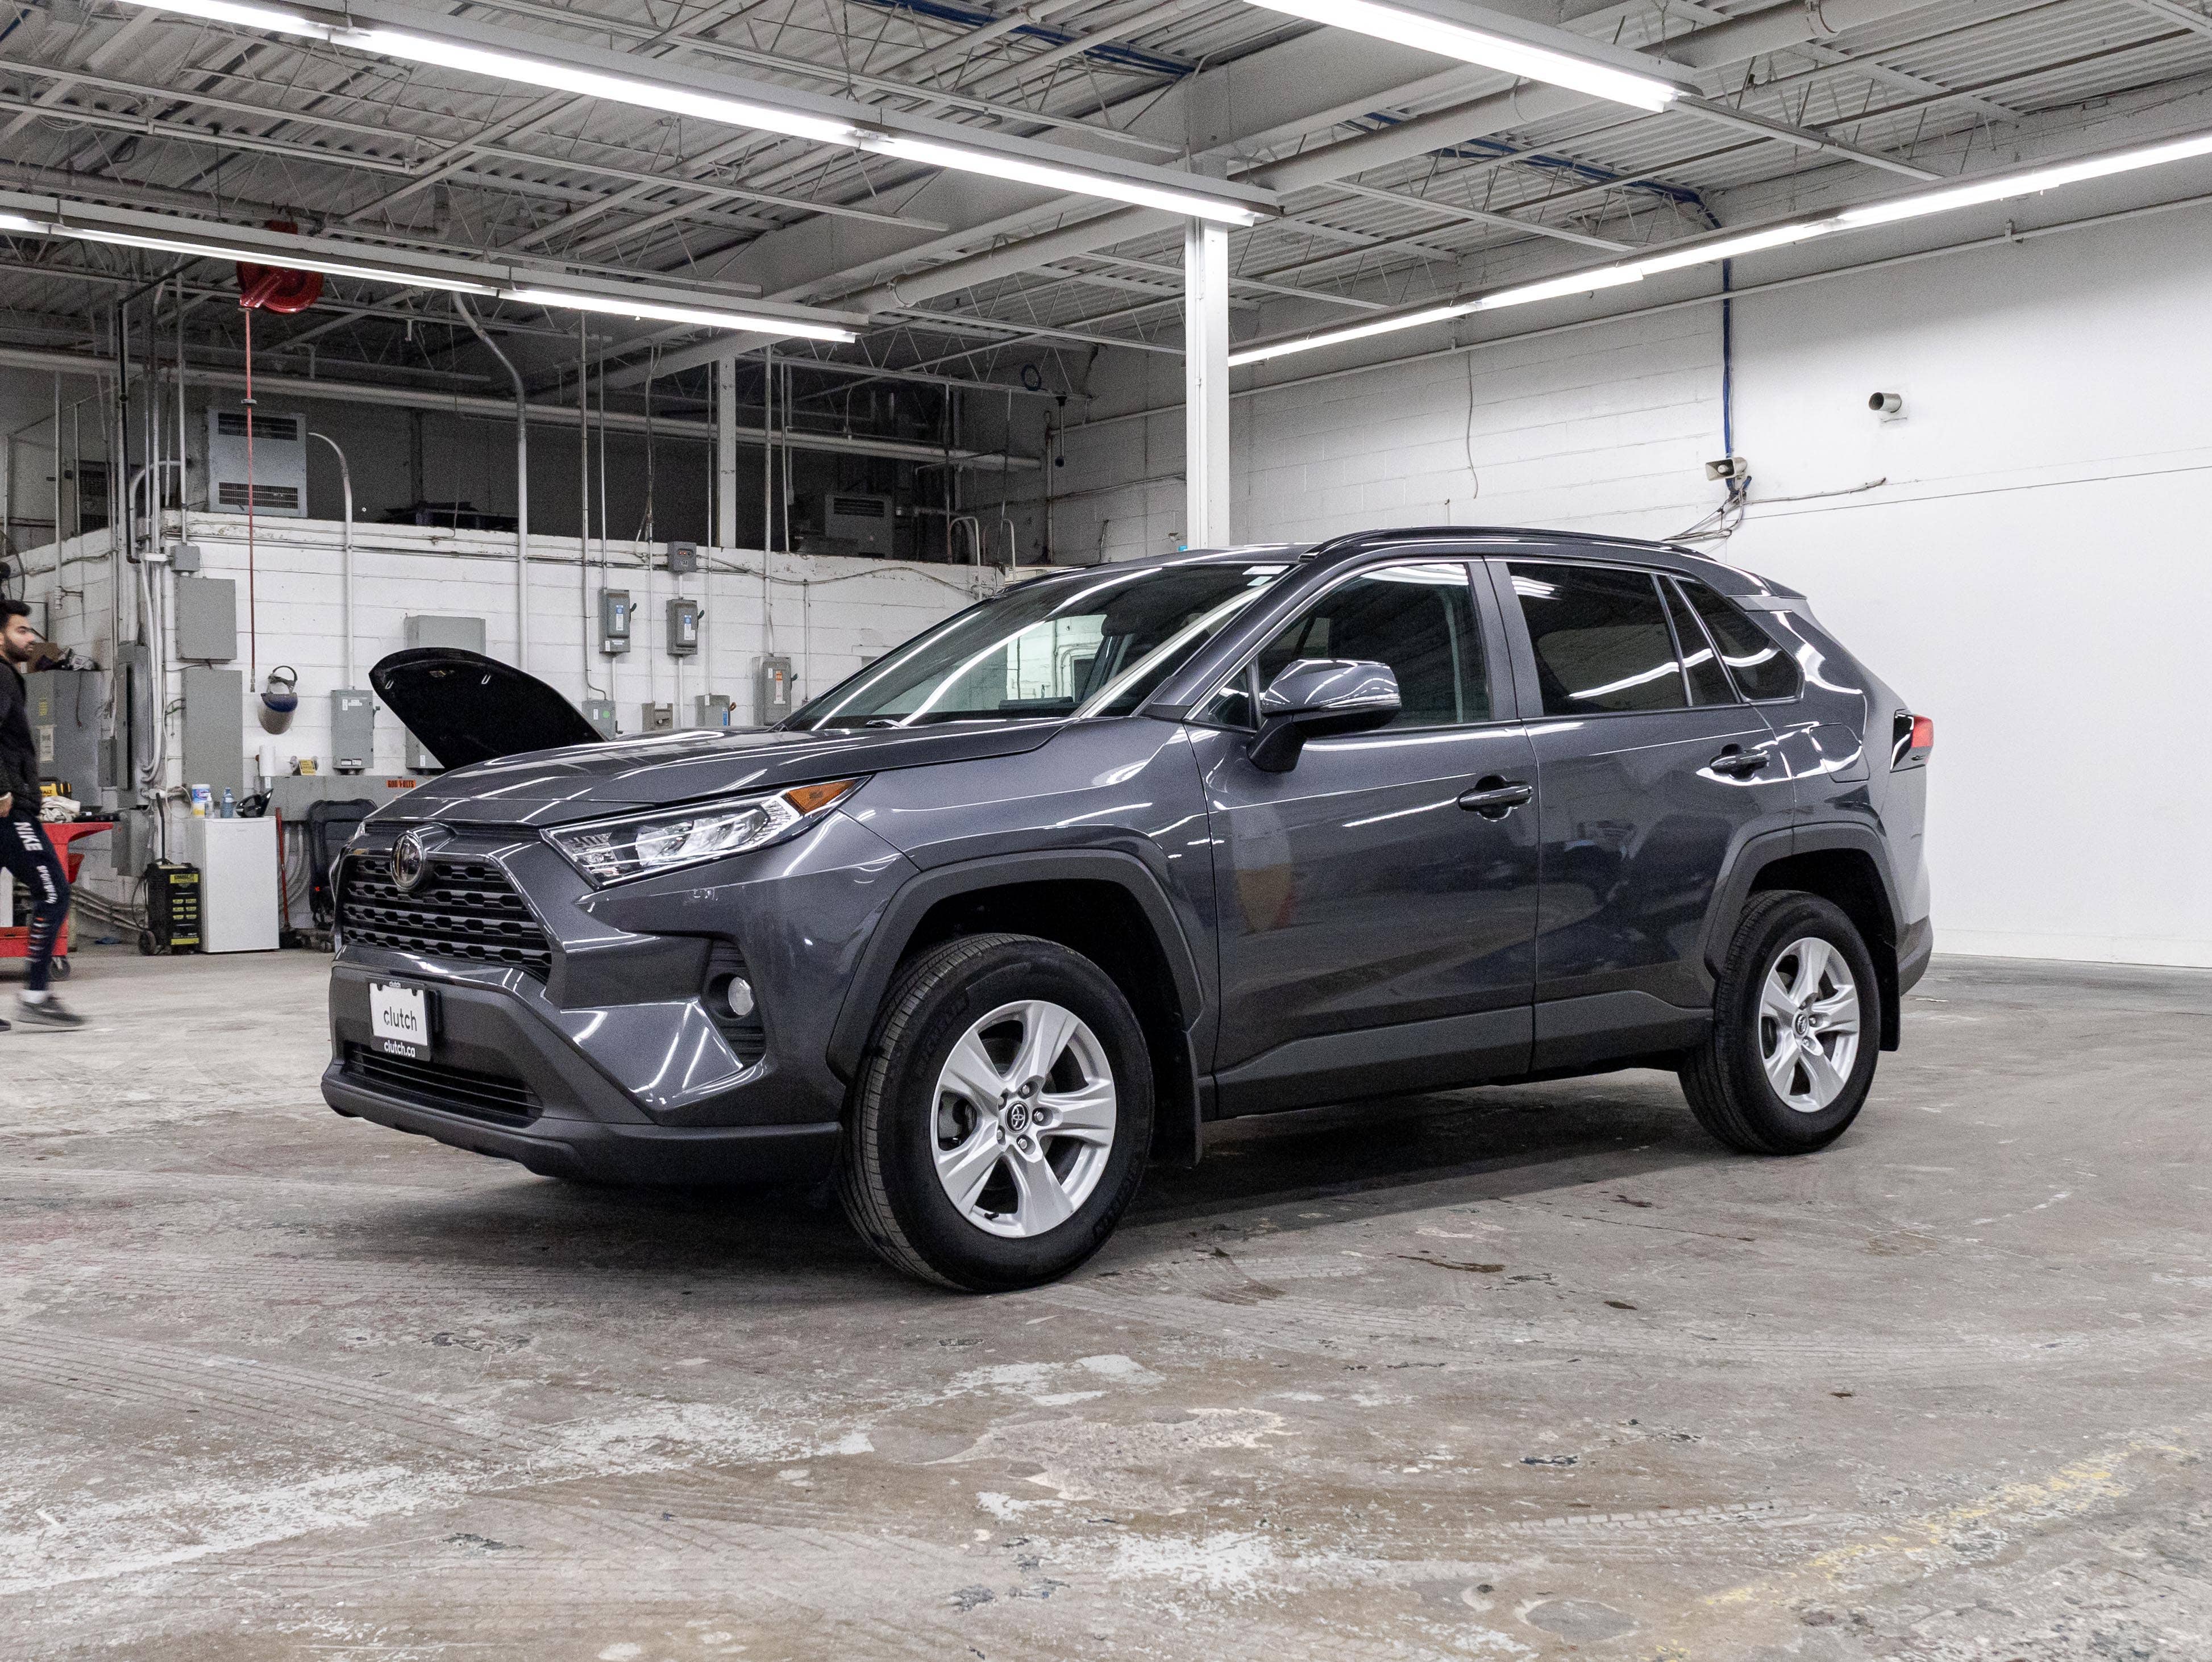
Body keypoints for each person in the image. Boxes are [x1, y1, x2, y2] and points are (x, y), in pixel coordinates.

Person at [0, 599, 84, 1029]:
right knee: (53, 893)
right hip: (10, 810)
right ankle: (36, 995)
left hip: (13, 807)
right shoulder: (1, 674)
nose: (31, 638)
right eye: (21, 630)